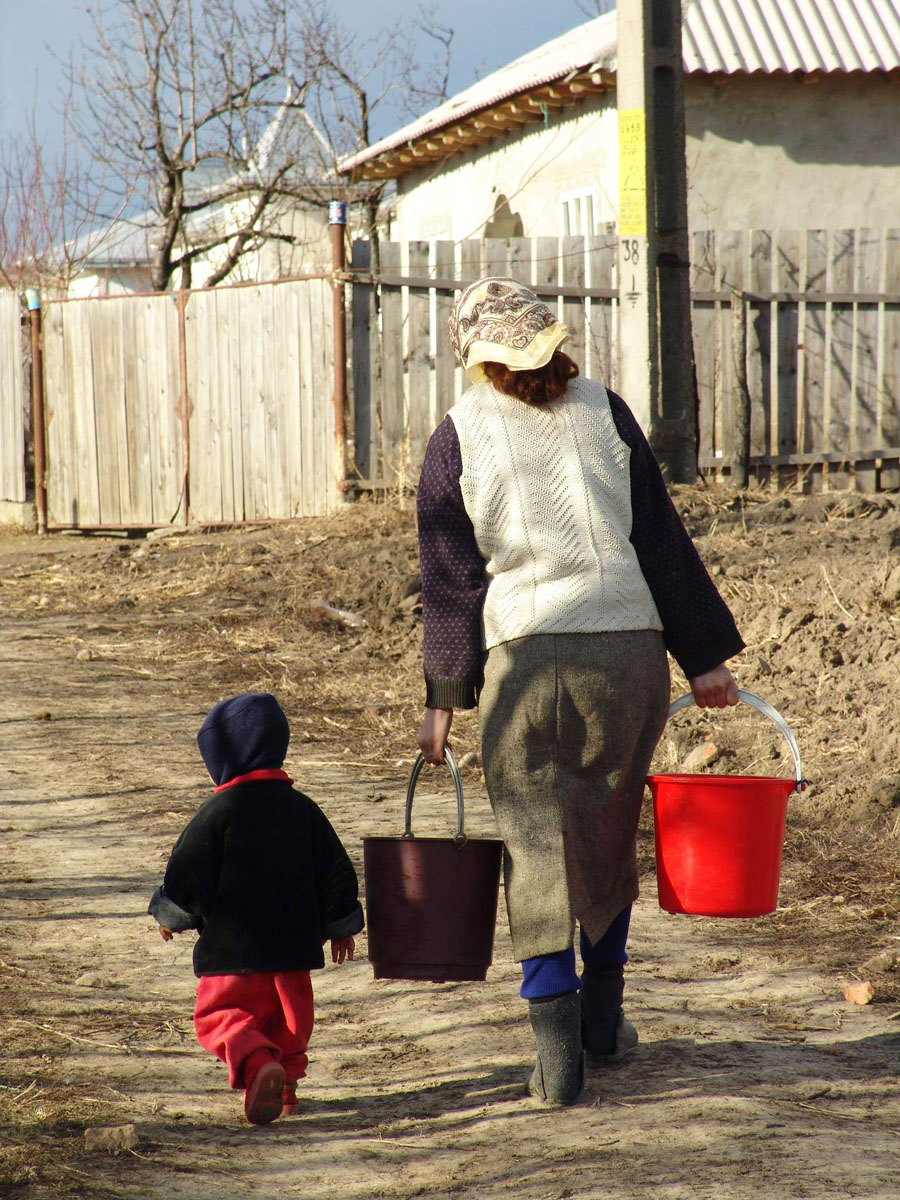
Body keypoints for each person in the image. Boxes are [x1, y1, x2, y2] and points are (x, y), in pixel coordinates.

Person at [416, 277, 743, 1107]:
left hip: (524, 661)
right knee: (605, 831)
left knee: (533, 844)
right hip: (628, 651)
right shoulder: (607, 410)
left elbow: (451, 582)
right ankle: (603, 1021)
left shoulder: (456, 435)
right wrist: (703, 656)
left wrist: (443, 698)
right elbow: (660, 540)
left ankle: (557, 1056)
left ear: (476, 355)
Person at [148, 691, 363, 1125]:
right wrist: (340, 924)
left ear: (223, 759)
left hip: (233, 954)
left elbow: (189, 872)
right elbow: (334, 870)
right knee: (287, 1024)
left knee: (221, 1019)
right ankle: (286, 1089)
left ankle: (258, 1064)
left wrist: (172, 915)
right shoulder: (304, 811)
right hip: (293, 952)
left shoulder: (218, 812)